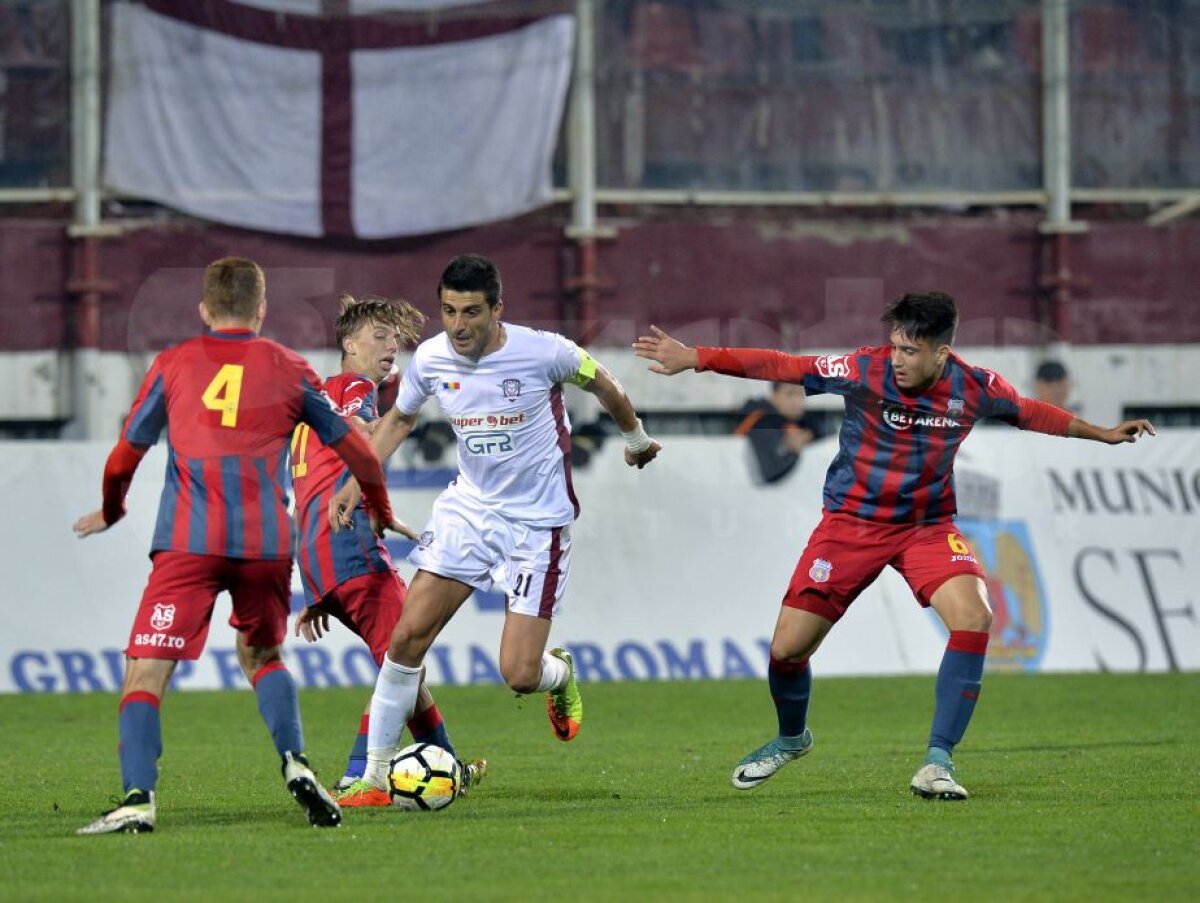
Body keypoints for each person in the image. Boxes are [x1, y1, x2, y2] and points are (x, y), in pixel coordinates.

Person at [633, 291, 1154, 801]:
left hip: (927, 527)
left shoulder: (976, 387)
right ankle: (792, 738)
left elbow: (1032, 412)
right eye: (896, 346)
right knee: (787, 650)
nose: (898, 359)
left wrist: (1102, 434)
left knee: (974, 618)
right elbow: (781, 364)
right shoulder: (864, 369)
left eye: (910, 350)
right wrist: (697, 358)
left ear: (941, 353)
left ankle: (938, 760)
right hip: (850, 526)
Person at [72, 258, 397, 834]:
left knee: (145, 670)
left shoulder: (172, 365)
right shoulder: (291, 367)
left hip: (188, 543)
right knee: (263, 658)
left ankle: (138, 796)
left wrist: (114, 507)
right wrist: (384, 510)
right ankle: (296, 762)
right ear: (261, 309)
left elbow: (126, 454)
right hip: (267, 542)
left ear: (204, 309)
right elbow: (362, 454)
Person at [328, 254, 661, 803]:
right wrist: (357, 480)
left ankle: (559, 675)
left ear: (498, 309)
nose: (458, 326)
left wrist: (636, 439)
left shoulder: (545, 351)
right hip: (469, 512)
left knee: (519, 673)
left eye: (472, 313)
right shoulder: (433, 359)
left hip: (537, 524)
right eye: (449, 311)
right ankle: (374, 777)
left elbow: (605, 385)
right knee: (407, 638)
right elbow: (401, 419)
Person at [289, 293, 486, 805]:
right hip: (349, 546)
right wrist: (388, 427)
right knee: (401, 661)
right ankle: (364, 776)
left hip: (319, 555)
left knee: (403, 661)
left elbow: (314, 481)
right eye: (379, 337)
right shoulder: (354, 389)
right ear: (349, 344)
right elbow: (362, 432)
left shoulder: (317, 398)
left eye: (395, 341)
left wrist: (316, 584)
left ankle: (450, 768)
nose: (390, 348)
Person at [734, 381, 823, 484]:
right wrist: (793, 451)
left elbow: (824, 428)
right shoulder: (760, 419)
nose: (796, 401)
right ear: (774, 394)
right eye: (789, 394)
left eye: (801, 394)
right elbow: (770, 473)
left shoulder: (788, 415)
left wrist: (806, 436)